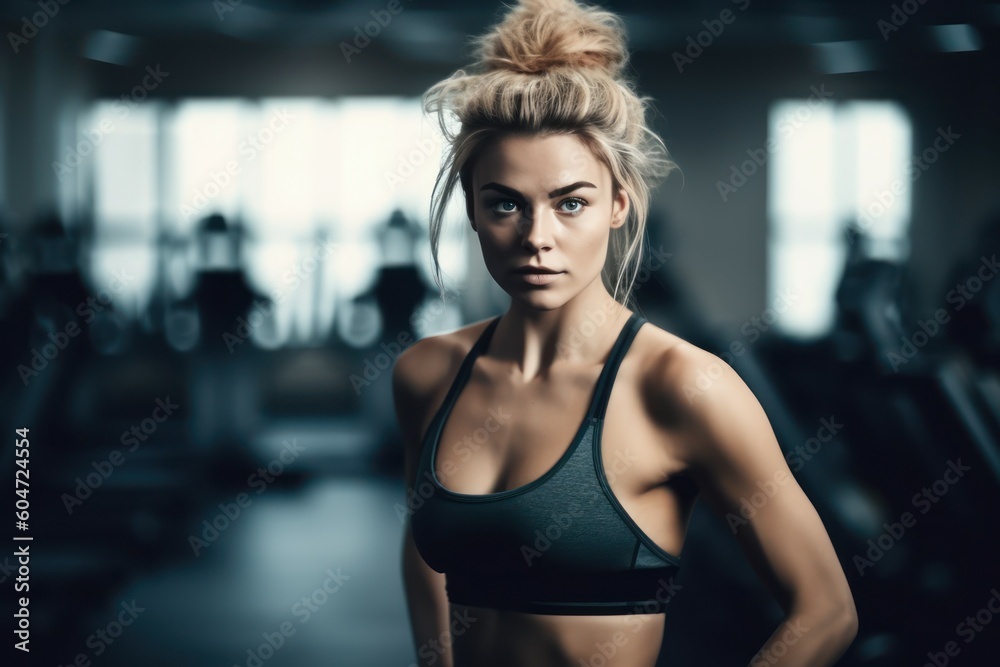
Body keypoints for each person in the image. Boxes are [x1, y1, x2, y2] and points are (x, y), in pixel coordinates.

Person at [392, 0, 859, 665]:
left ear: (619, 203)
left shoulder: (683, 385)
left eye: (570, 202)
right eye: (505, 203)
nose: (536, 238)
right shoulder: (427, 373)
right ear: (471, 206)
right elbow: (424, 555)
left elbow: (826, 609)